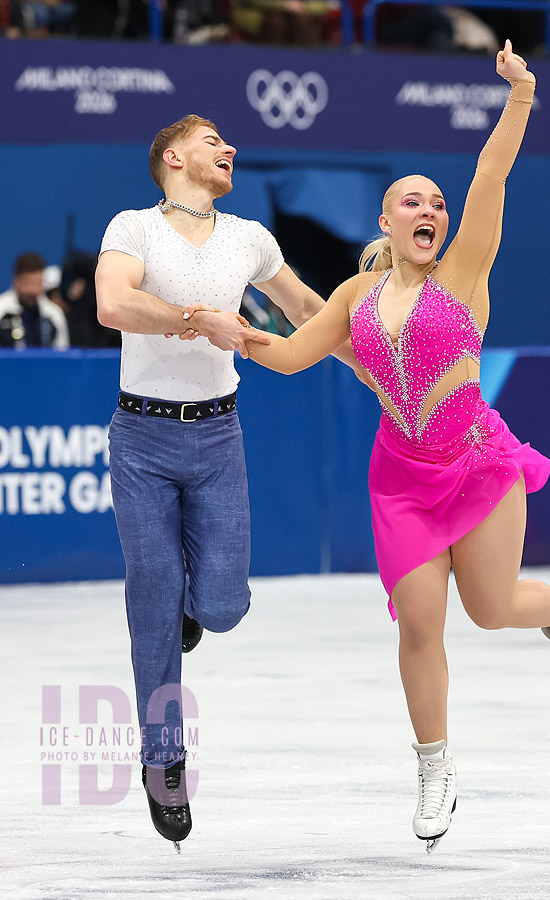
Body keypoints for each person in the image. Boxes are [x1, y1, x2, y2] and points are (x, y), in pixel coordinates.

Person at [182, 42, 550, 853]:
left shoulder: (466, 274)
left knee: (490, 611)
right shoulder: (353, 297)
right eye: (412, 202)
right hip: (402, 480)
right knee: (419, 624)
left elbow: (491, 176)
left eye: (437, 204)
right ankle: (435, 767)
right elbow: (288, 354)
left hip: (478, 464)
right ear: (385, 220)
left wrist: (519, 95)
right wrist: (230, 331)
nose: (430, 210)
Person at [94, 113, 358, 851]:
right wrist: (193, 320)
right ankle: (163, 758)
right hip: (141, 438)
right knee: (151, 594)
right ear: (173, 157)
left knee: (224, 606)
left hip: (217, 436)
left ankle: (189, 607)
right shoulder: (133, 228)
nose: (229, 149)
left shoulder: (250, 237)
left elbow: (310, 310)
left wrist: (372, 371)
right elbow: (112, 304)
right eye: (214, 142)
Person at [0, 252, 69, 349]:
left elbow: (62, 353)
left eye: (37, 283)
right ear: (16, 280)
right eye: (27, 283)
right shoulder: (2, 310)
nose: (32, 290)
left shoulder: (54, 314)